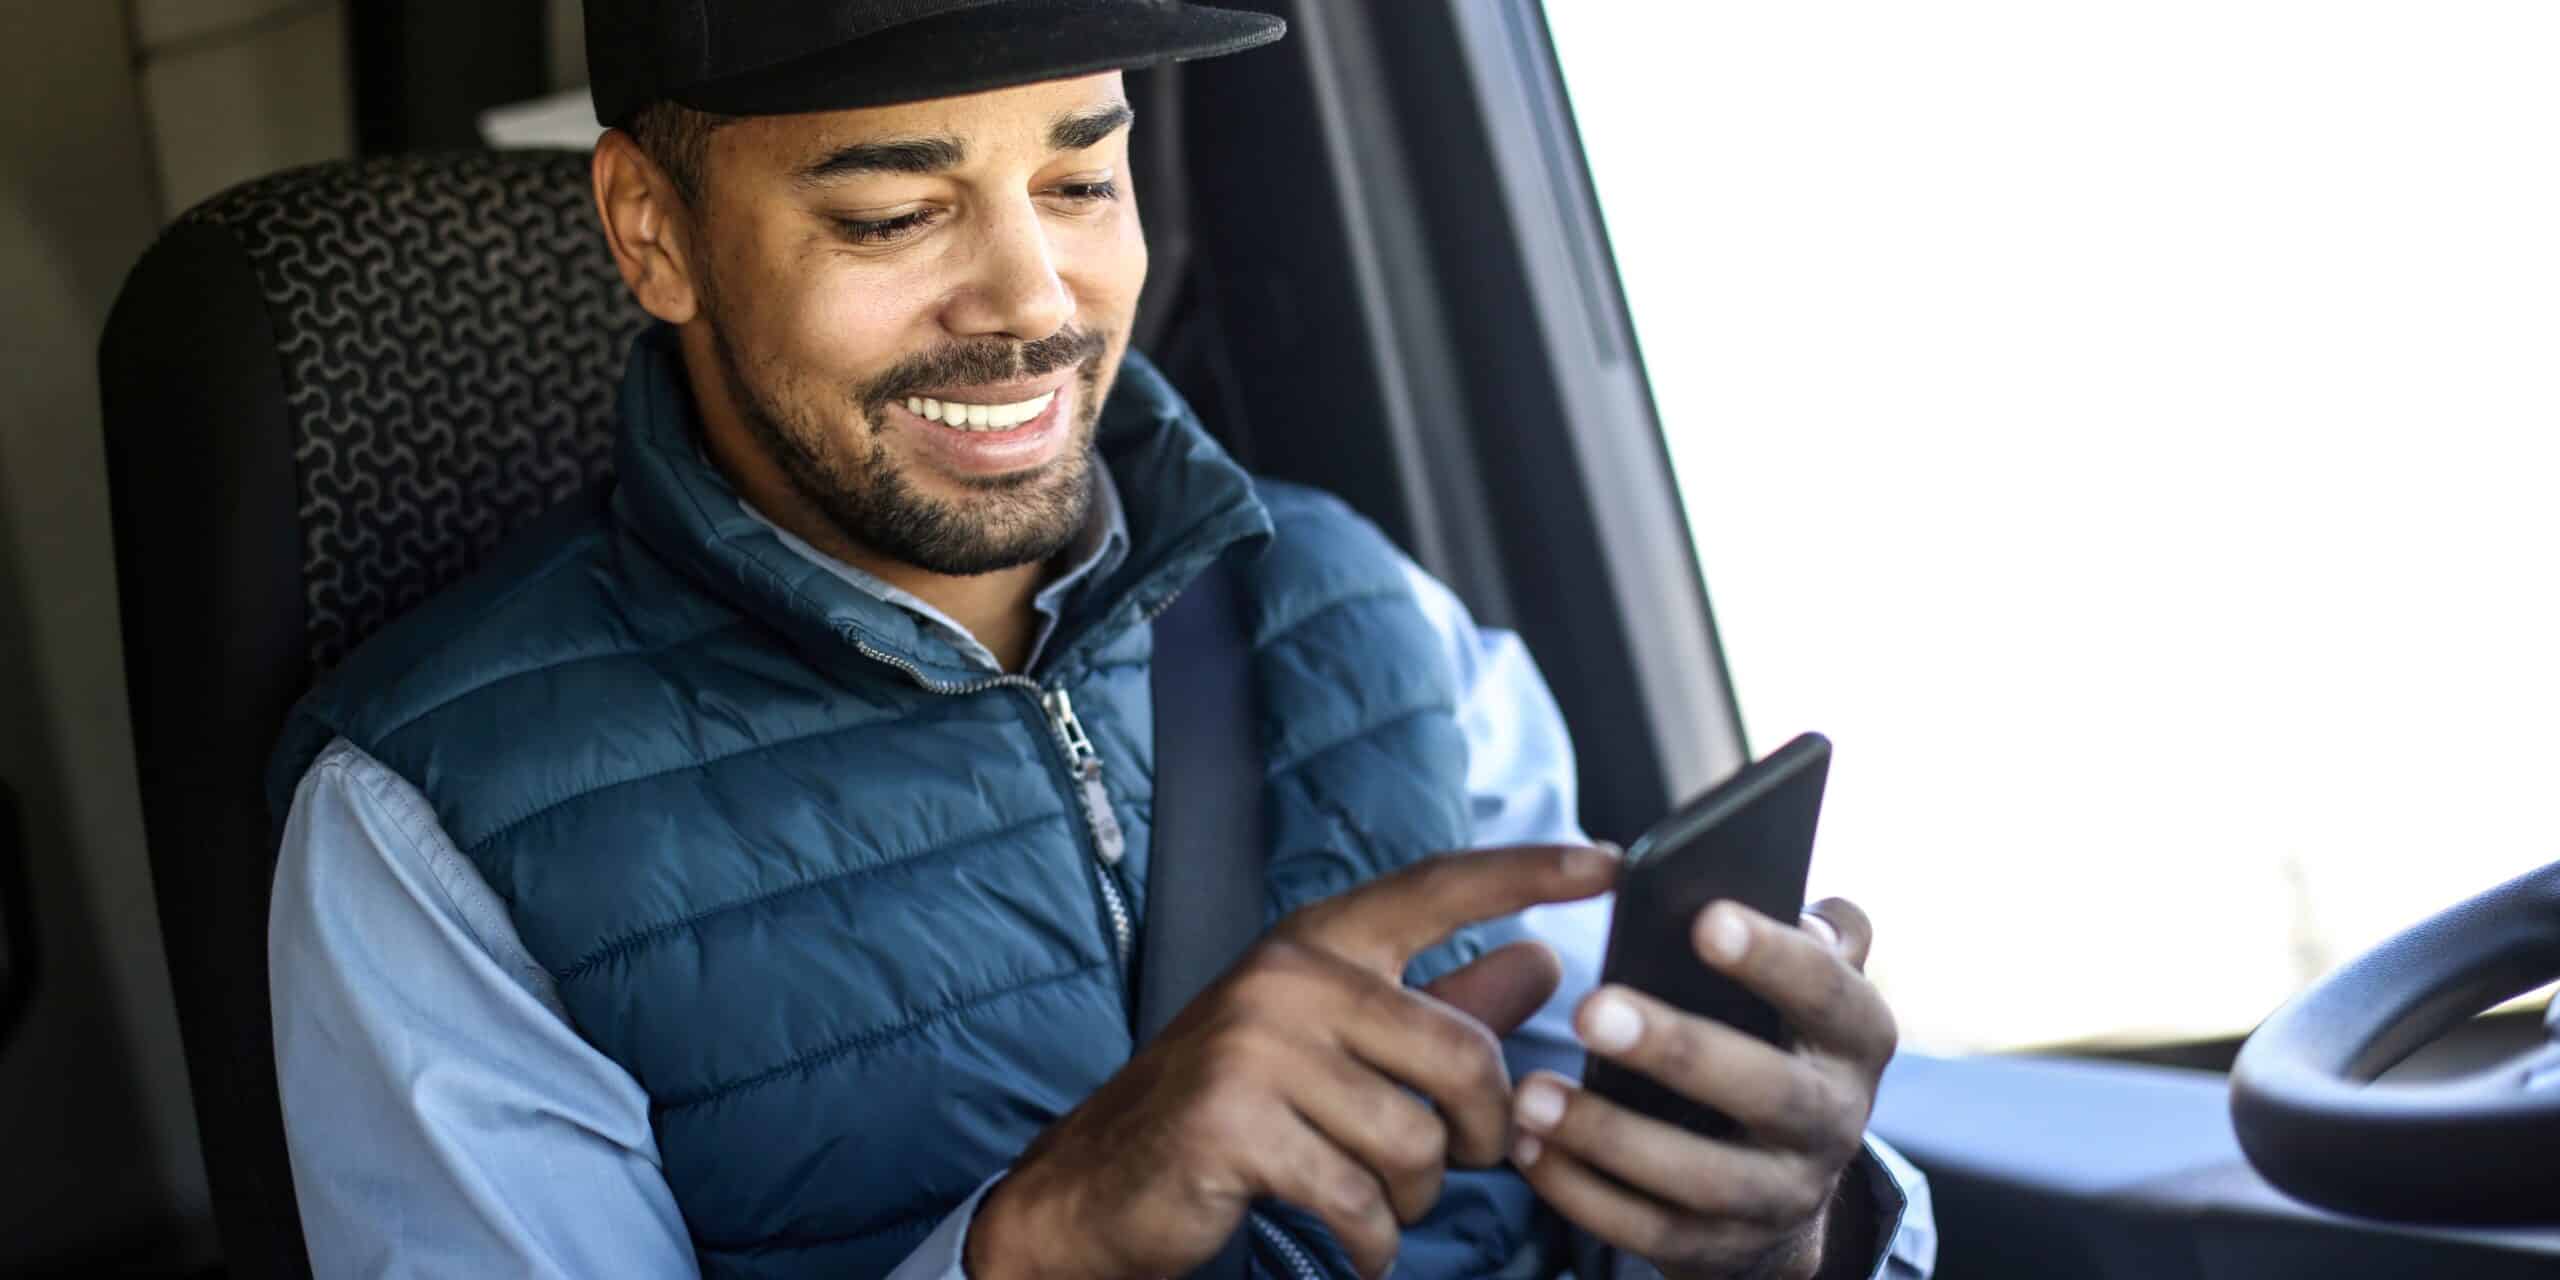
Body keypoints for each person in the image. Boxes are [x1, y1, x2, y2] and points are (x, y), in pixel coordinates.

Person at [264, 3, 1937, 1277]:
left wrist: (1774, 1231)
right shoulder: (432, 831)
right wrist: (1032, 1243)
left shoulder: (1363, 609)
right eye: (891, 215)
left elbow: (1609, 1204)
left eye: (1079, 180)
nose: (1032, 301)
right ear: (652, 230)